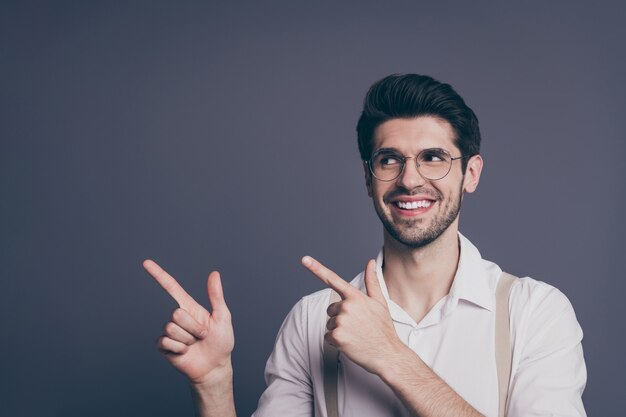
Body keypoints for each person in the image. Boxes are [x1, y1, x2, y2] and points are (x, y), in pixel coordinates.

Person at [143, 74, 587, 417]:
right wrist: (215, 384)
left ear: (470, 174)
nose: (410, 179)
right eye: (389, 159)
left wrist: (391, 355)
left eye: (433, 157)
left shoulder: (535, 312)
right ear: (368, 178)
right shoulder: (312, 320)